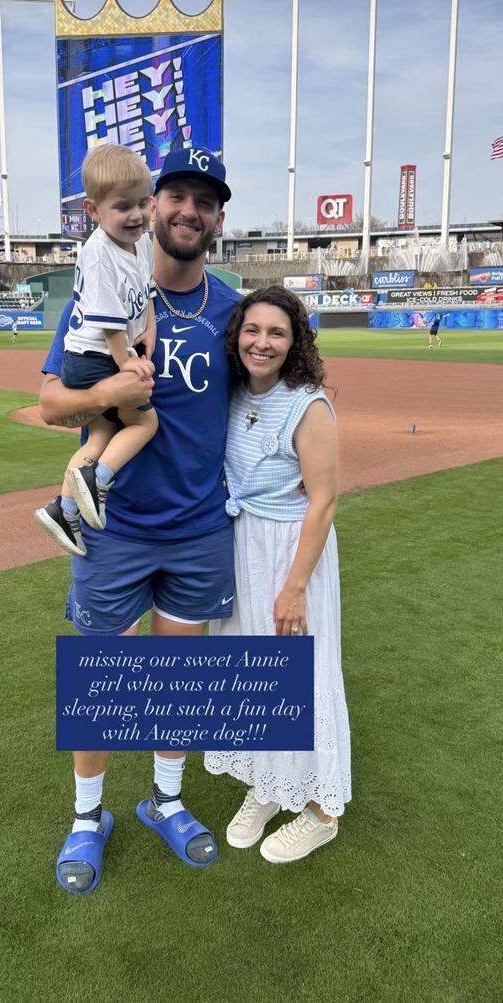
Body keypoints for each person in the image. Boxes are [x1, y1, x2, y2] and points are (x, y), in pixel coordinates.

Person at [39, 146, 239, 894]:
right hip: (117, 528)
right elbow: (55, 401)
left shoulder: (232, 310)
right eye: (176, 195)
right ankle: (90, 816)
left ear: (218, 218)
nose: (190, 209)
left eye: (206, 200)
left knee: (176, 681)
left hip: (197, 528)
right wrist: (116, 392)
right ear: (151, 207)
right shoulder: (103, 282)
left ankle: (165, 801)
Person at [204, 286, 351, 863]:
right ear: (237, 333)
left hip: (292, 551)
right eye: (253, 330)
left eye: (277, 333)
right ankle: (269, 785)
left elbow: (324, 501)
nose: (261, 343)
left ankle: (322, 810)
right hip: (242, 546)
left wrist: (293, 588)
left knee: (306, 675)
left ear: (294, 344)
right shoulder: (235, 392)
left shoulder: (308, 403)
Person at [34, 146, 158, 556]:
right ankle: (98, 481)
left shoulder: (140, 243)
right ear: (93, 209)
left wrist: (150, 333)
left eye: (143, 202)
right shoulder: (100, 254)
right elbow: (109, 324)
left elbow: (147, 295)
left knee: (101, 434)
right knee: (144, 424)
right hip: (93, 359)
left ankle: (62, 509)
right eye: (122, 206)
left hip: (102, 356)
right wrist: (128, 364)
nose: (136, 215)